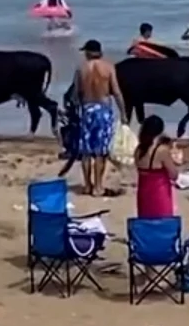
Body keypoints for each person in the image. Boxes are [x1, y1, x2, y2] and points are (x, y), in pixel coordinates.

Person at [74, 39, 127, 197]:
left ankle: (87, 185)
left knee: (86, 151)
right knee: (100, 152)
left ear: (88, 52)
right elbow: (116, 91)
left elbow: (76, 94)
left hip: (87, 110)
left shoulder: (81, 69)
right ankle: (98, 186)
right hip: (103, 110)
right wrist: (123, 113)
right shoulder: (108, 67)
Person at [135, 115, 179, 220]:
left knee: (146, 222)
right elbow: (174, 175)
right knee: (163, 223)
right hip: (159, 192)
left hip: (143, 192)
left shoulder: (139, 150)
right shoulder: (161, 150)